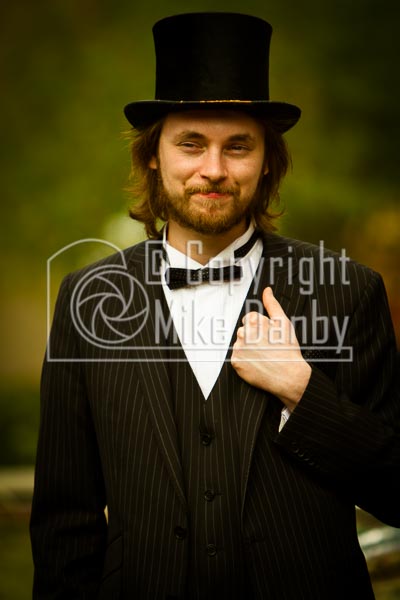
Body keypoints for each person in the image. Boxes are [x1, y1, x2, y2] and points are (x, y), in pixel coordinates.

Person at [30, 12, 400, 600]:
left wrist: (304, 394)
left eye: (238, 147)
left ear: (267, 160)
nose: (214, 170)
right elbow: (64, 525)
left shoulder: (348, 290)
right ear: (154, 155)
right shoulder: (86, 298)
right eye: (191, 144)